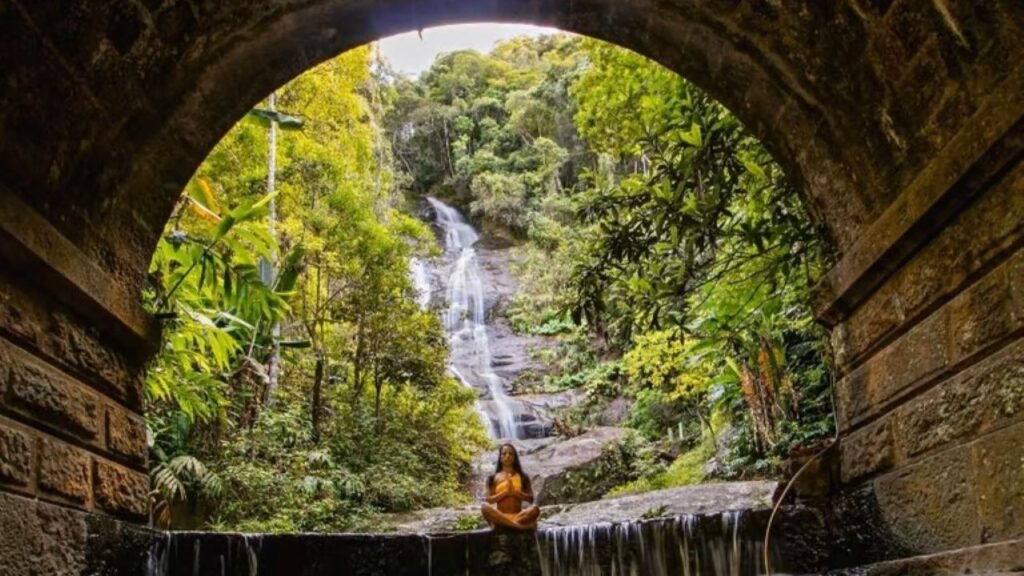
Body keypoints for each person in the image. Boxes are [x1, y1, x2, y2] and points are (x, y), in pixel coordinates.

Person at [480, 443, 541, 530]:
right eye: (504, 454)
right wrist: (505, 493)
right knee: (484, 507)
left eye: (510, 454)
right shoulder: (493, 478)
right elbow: (489, 500)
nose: (507, 456)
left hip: (518, 516)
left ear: (514, 457)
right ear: (500, 458)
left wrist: (516, 493)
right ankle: (518, 526)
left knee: (535, 509)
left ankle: (506, 524)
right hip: (500, 515)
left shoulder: (523, 477)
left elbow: (530, 499)